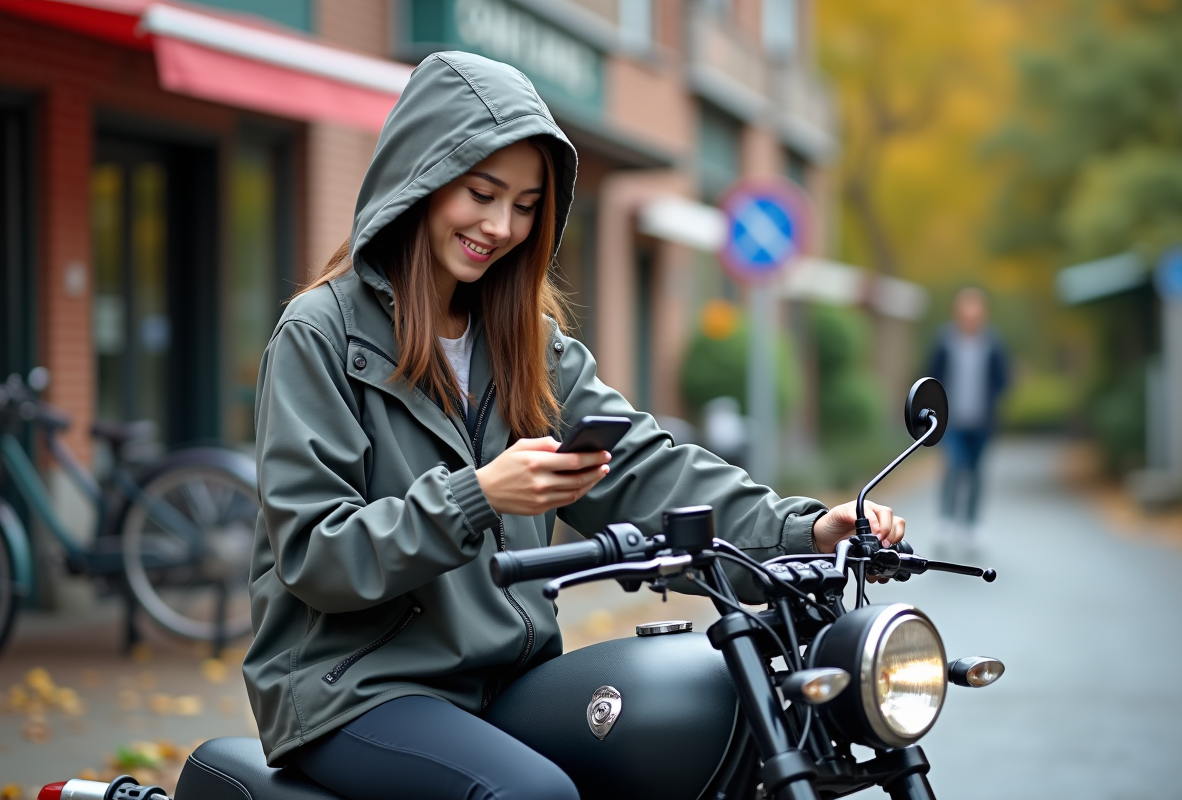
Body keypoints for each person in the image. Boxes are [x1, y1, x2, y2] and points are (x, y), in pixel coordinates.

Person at [243, 51, 905, 800]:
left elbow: (651, 472)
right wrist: (478, 496)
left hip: (510, 678)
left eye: (526, 205)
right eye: (481, 193)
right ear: (421, 177)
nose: (500, 226)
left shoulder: (531, 344)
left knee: (704, 732)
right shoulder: (321, 335)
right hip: (355, 688)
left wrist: (807, 528)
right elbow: (314, 556)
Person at [927, 287, 1009, 549]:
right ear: (958, 314)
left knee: (975, 472)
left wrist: (993, 399)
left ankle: (972, 524)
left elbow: (1002, 379)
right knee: (953, 467)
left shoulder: (993, 343)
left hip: (981, 421)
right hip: (951, 421)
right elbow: (932, 376)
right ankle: (946, 521)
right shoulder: (944, 341)